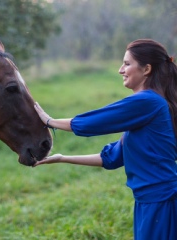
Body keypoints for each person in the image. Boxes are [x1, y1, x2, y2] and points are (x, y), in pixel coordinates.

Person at [34, 39, 177, 240]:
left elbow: (94, 122)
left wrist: (50, 121)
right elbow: (111, 158)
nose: (121, 70)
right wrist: (62, 157)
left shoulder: (148, 102)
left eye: (127, 64)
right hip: (149, 202)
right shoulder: (149, 107)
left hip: (161, 202)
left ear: (146, 69)